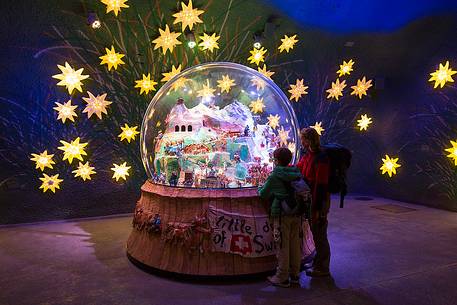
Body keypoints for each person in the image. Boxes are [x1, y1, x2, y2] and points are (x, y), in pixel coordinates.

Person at [258, 147, 303, 287]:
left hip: (282, 213)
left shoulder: (274, 176)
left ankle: (282, 277)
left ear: (276, 160)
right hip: (297, 212)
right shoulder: (296, 172)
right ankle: (295, 274)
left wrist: (260, 188)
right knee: (295, 244)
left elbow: (263, 194)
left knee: (283, 245)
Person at [296, 127, 331, 277]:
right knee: (316, 232)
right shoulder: (309, 154)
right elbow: (299, 167)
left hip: (319, 201)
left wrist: (317, 208)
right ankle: (318, 263)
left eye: (303, 139)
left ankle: (323, 267)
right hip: (312, 199)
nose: (301, 142)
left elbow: (321, 185)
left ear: (309, 140)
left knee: (319, 233)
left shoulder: (321, 157)